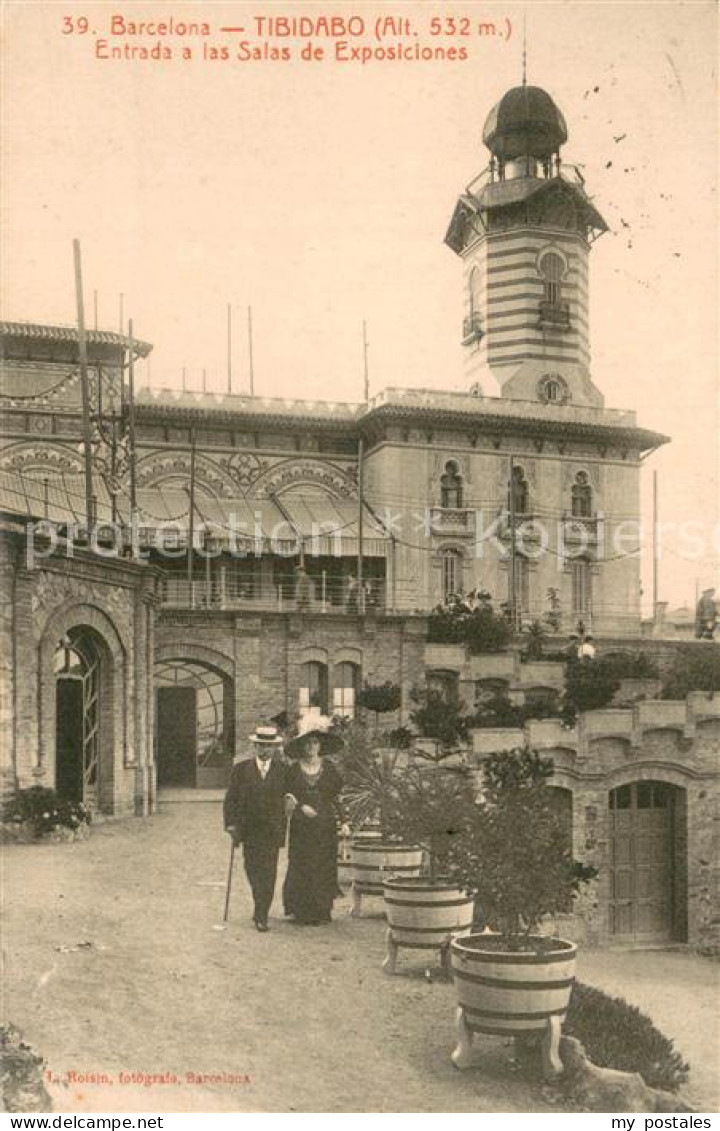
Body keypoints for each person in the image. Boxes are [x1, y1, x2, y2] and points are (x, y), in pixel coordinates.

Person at [282, 713, 345, 925]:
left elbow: (337, 798)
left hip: (325, 824)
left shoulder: (331, 770)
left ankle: (321, 909)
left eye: (315, 742)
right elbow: (287, 796)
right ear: (302, 746)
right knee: (302, 863)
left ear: (321, 746)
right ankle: (302, 910)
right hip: (302, 825)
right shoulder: (292, 771)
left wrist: (344, 821)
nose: (311, 747)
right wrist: (300, 806)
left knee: (323, 863)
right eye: (307, 743)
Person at [223, 724, 287, 932]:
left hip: (271, 830)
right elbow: (230, 799)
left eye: (269, 746)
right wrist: (231, 825)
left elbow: (291, 796)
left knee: (268, 873)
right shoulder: (241, 770)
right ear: (255, 747)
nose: (265, 750)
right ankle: (259, 904)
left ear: (274, 748)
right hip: (249, 830)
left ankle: (261, 914)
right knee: (251, 869)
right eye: (261, 746)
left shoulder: (283, 771)